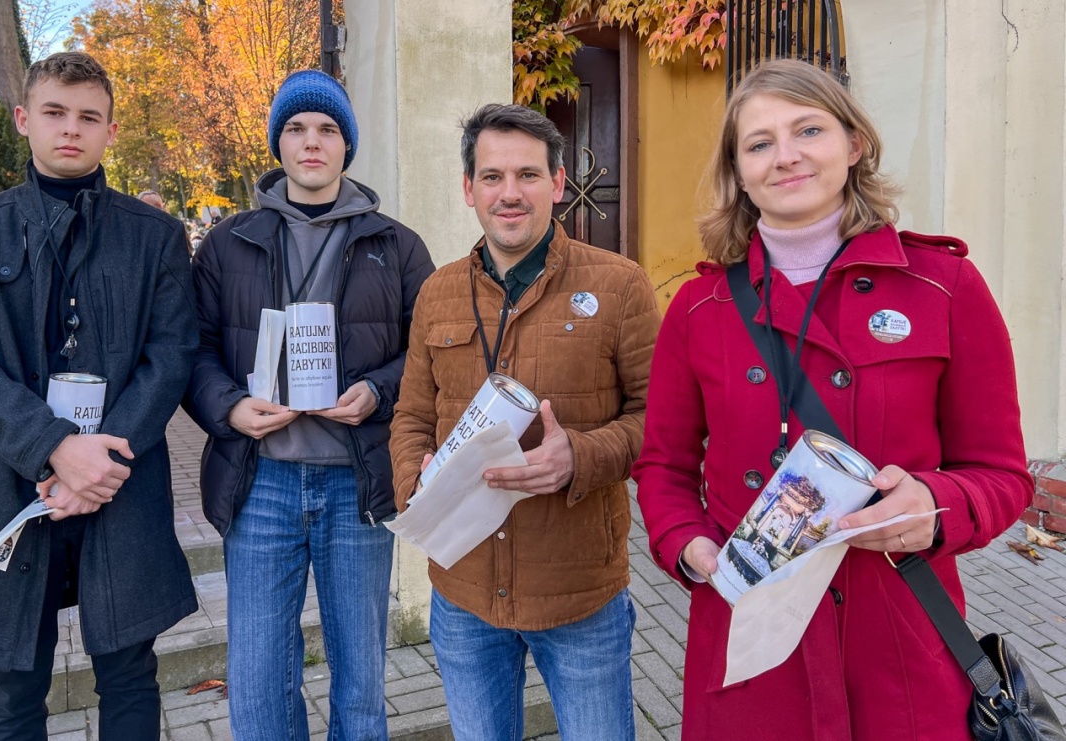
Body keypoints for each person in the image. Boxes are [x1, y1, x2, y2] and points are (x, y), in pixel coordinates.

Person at [632, 59, 1033, 740]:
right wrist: (692, 548)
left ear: (853, 145)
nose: (785, 156)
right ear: (739, 171)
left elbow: (1002, 474)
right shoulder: (697, 308)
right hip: (753, 638)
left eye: (808, 130)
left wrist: (936, 506)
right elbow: (664, 467)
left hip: (900, 638)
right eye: (759, 143)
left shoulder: (945, 288)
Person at [0, 52, 198, 739]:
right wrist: (53, 450)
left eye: (88, 117)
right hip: (9, 487)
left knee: (130, 676)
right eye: (55, 112)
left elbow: (171, 356)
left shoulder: (155, 236)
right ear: (24, 119)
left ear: (108, 130)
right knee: (13, 695)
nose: (71, 129)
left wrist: (99, 465)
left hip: (121, 487)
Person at [389, 103, 660, 741]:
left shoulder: (620, 287)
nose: (509, 194)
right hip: (463, 592)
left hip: (580, 596)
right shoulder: (438, 292)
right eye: (491, 177)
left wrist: (582, 457)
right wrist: (414, 484)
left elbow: (661, 422)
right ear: (468, 189)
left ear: (558, 184)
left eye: (528, 175)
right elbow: (411, 415)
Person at [183, 69, 434, 739]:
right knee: (260, 684)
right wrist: (230, 408)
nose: (311, 142)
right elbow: (193, 350)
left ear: (346, 144)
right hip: (259, 480)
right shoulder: (227, 244)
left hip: (357, 483)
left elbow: (435, 353)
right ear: (278, 144)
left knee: (361, 682)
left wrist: (379, 390)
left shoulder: (398, 245)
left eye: (327, 128)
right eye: (296, 129)